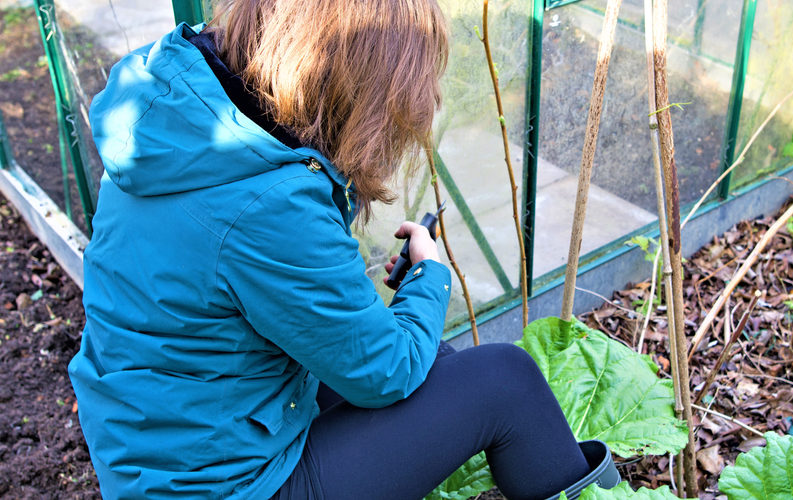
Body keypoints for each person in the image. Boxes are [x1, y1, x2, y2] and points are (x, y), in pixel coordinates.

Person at [68, 0, 621, 499]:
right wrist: (431, 278)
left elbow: (262, 297)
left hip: (160, 444)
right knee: (504, 381)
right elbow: (384, 372)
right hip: (221, 485)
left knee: (440, 364)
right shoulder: (267, 205)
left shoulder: (181, 120)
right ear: (363, 87)